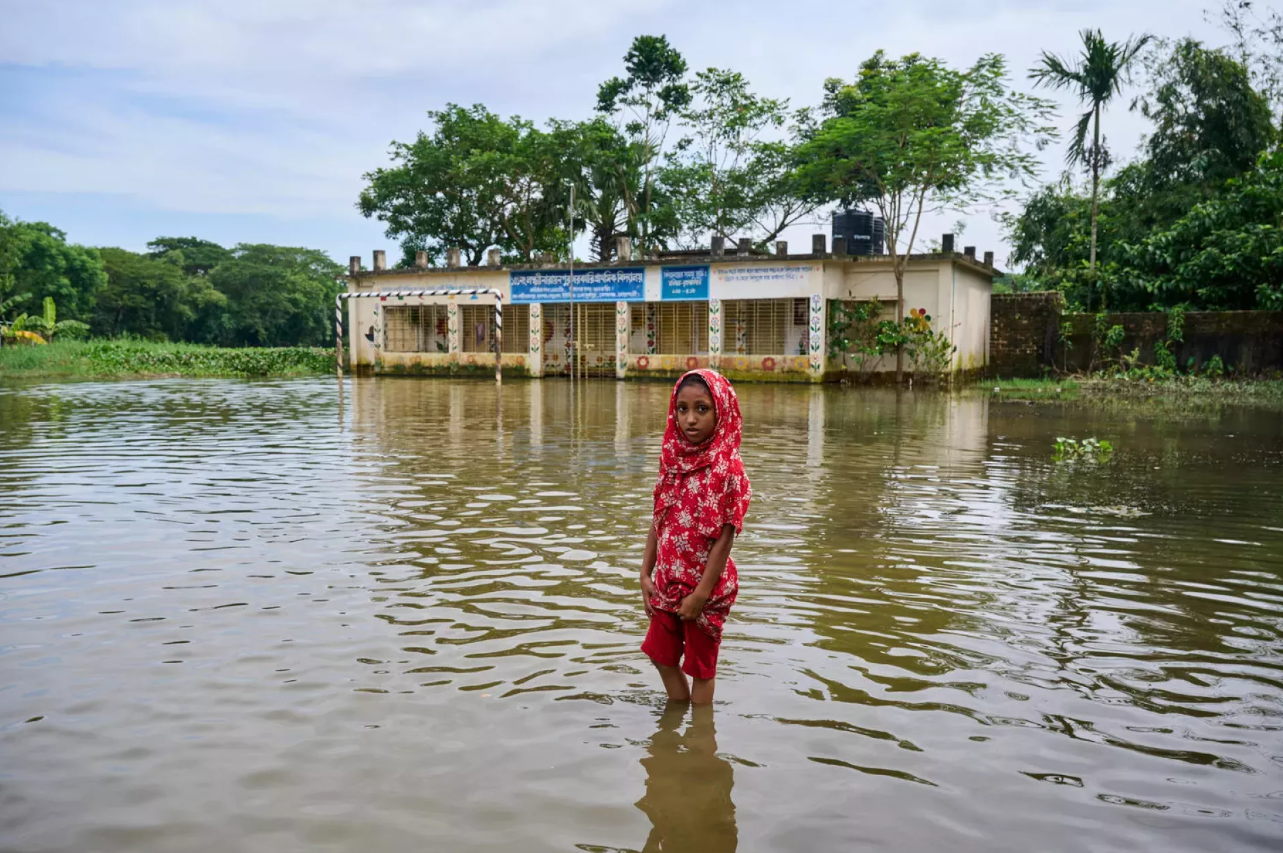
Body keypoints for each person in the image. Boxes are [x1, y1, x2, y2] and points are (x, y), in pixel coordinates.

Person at [639, 369, 751, 705]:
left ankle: (701, 738)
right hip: (667, 580)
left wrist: (701, 595)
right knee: (660, 655)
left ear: (721, 412)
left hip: (706, 588)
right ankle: (677, 719)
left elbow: (725, 539)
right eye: (682, 409)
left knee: (700, 669)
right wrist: (645, 573)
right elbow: (660, 517)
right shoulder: (672, 459)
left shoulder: (728, 469)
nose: (690, 419)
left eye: (702, 409)